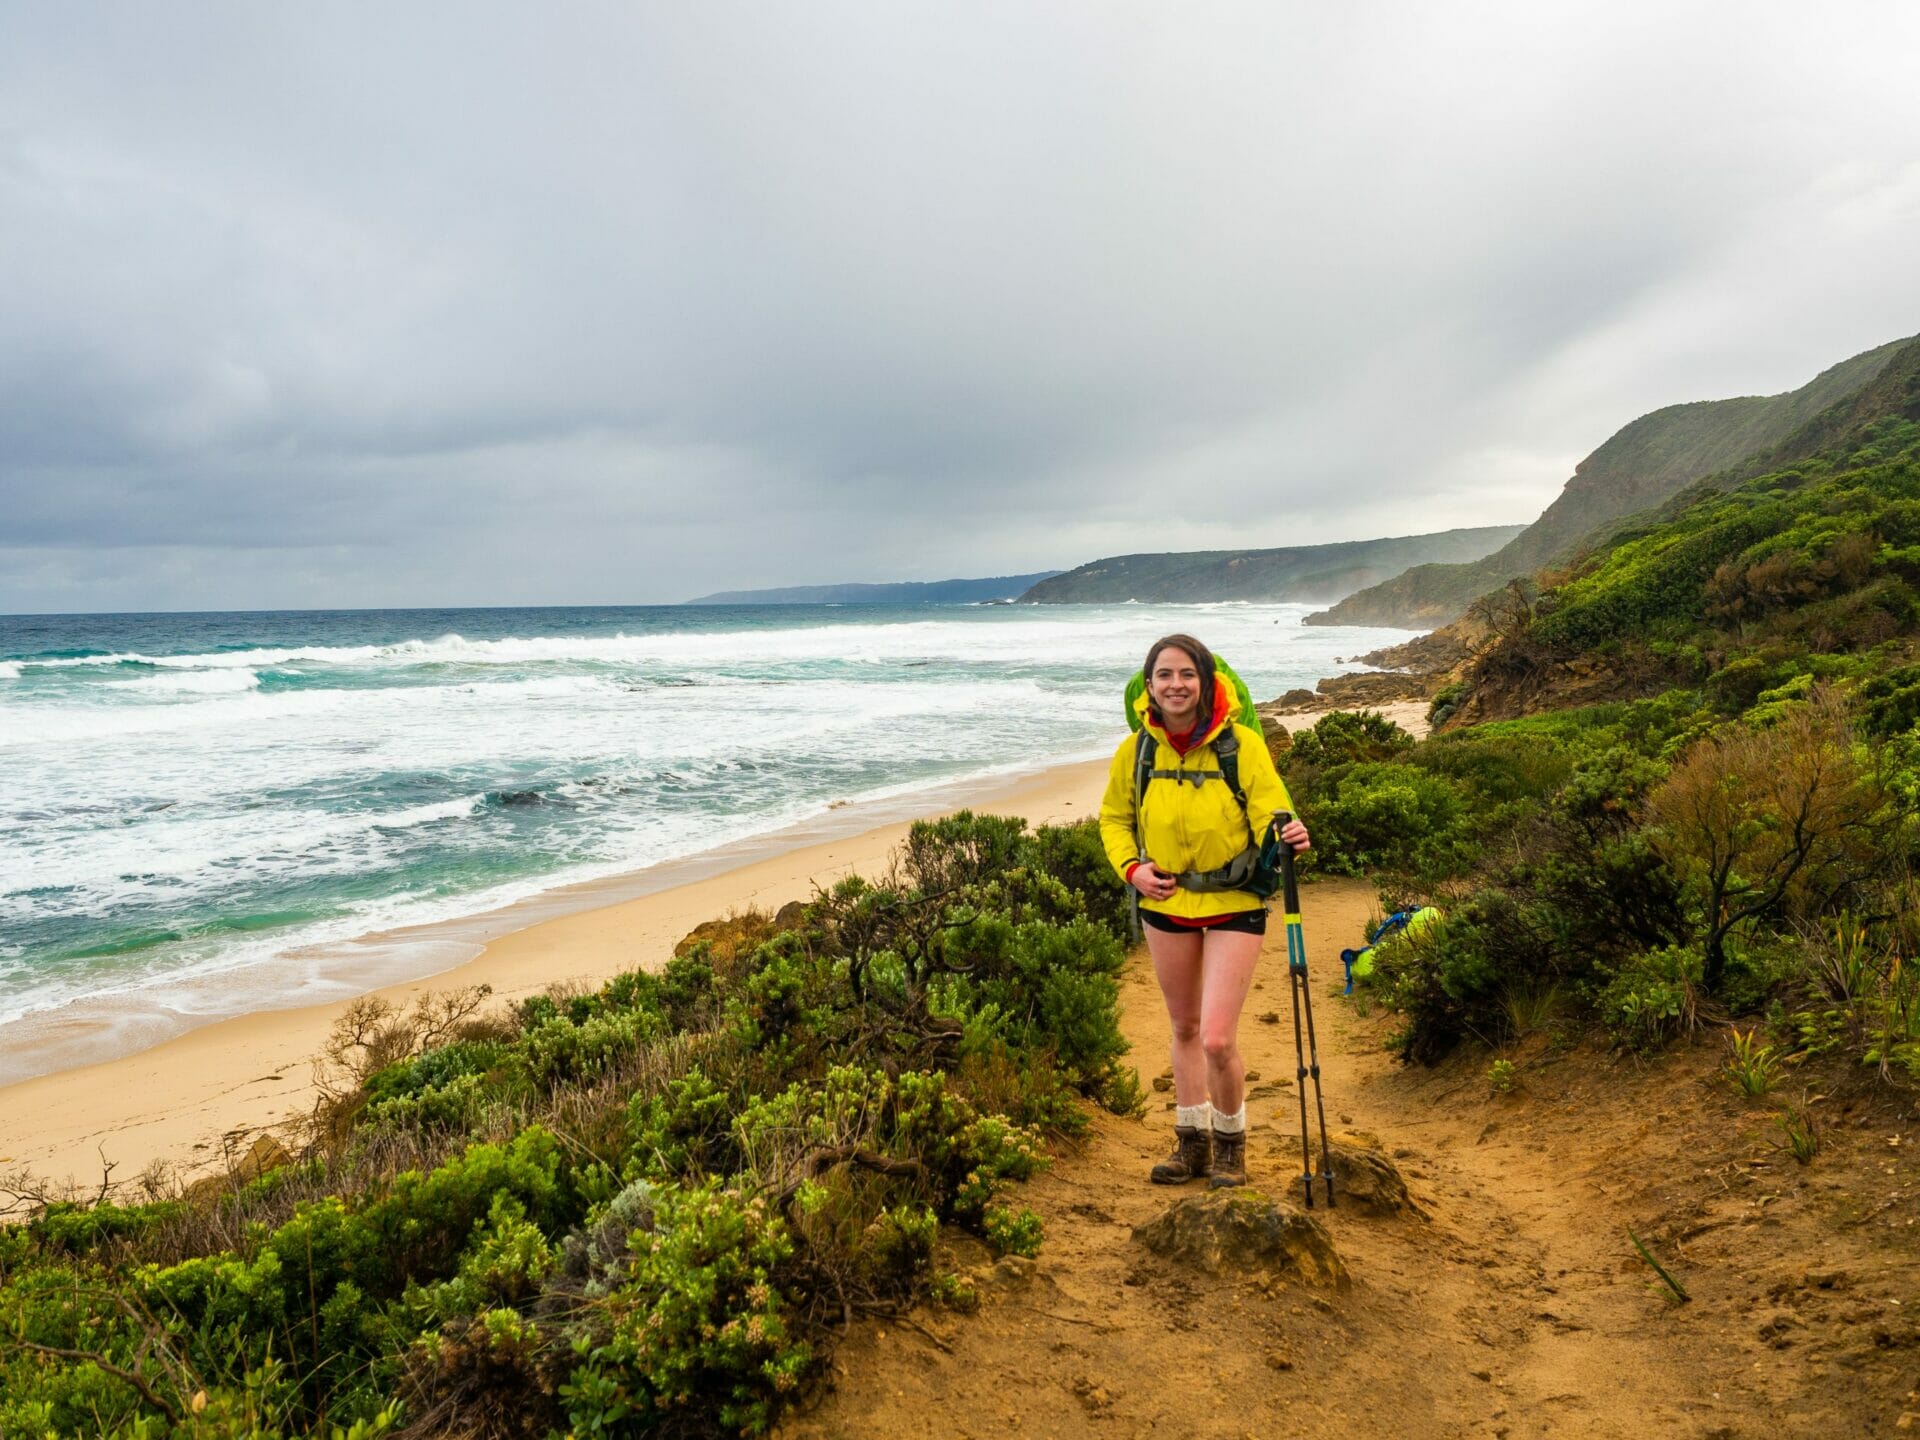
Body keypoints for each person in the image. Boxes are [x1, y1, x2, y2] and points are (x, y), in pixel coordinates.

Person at [1099, 634, 1309, 1188]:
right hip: (1165, 904)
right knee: (1184, 1027)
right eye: (1164, 675)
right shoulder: (1137, 751)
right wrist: (1133, 870)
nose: (1175, 685)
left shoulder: (1240, 745)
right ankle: (1190, 1144)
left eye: (1186, 674)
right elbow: (1114, 821)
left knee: (1217, 1037)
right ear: (1149, 687)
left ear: (1207, 681)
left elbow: (1272, 806)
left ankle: (1231, 1148)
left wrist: (1287, 830)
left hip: (1234, 900)